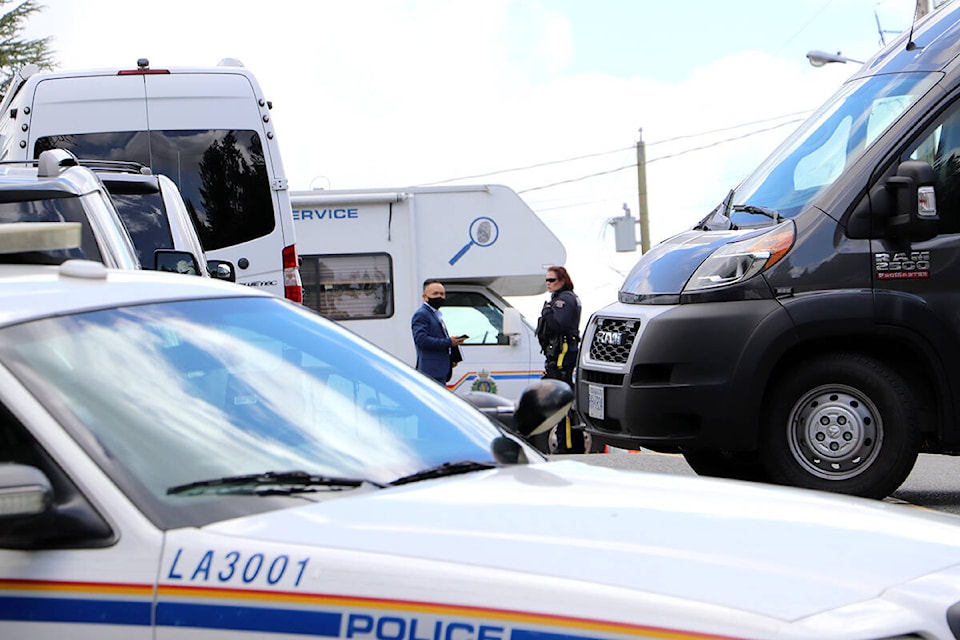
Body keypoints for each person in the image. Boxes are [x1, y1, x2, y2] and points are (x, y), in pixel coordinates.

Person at [536, 266, 584, 453]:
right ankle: (567, 442)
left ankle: (567, 445)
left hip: (562, 350)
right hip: (559, 350)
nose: (548, 284)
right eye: (547, 280)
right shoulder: (562, 299)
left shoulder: (564, 300)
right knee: (559, 395)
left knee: (561, 394)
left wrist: (547, 312)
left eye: (552, 280)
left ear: (562, 280)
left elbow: (559, 325)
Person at [411, 279, 466, 385]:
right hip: (431, 372)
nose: (439, 297)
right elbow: (422, 340)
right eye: (435, 293)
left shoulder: (435, 314)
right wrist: (449, 342)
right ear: (425, 297)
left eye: (442, 294)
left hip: (439, 370)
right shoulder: (422, 314)